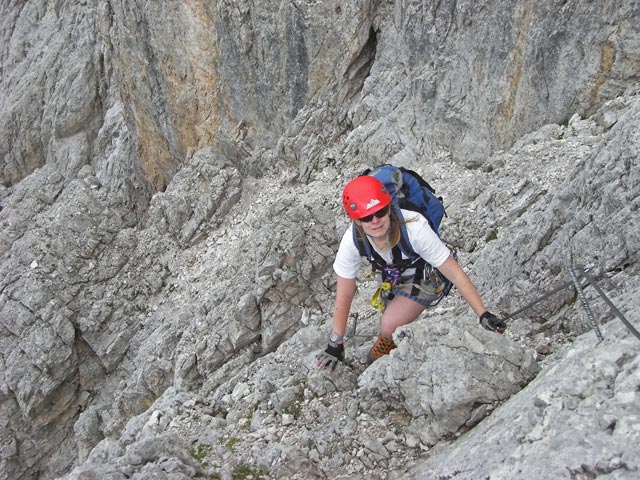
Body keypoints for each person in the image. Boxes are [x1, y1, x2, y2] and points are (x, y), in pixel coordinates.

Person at [317, 175, 506, 372]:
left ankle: (384, 349)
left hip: (425, 272)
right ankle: (390, 338)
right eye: (366, 217)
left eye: (380, 212)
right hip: (394, 273)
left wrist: (482, 314)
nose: (375, 221)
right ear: (356, 221)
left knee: (389, 325)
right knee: (390, 316)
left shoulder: (414, 227)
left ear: (389, 208)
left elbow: (455, 273)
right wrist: (335, 342)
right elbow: (345, 292)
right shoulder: (353, 240)